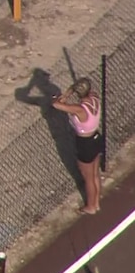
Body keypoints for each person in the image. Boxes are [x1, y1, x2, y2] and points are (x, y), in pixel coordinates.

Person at [51, 77, 103, 214]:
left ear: (77, 92)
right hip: (96, 138)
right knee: (95, 173)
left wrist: (68, 92)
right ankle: (96, 202)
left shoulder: (79, 109)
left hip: (85, 144)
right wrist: (74, 89)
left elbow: (56, 105)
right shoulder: (94, 98)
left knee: (88, 178)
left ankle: (91, 207)